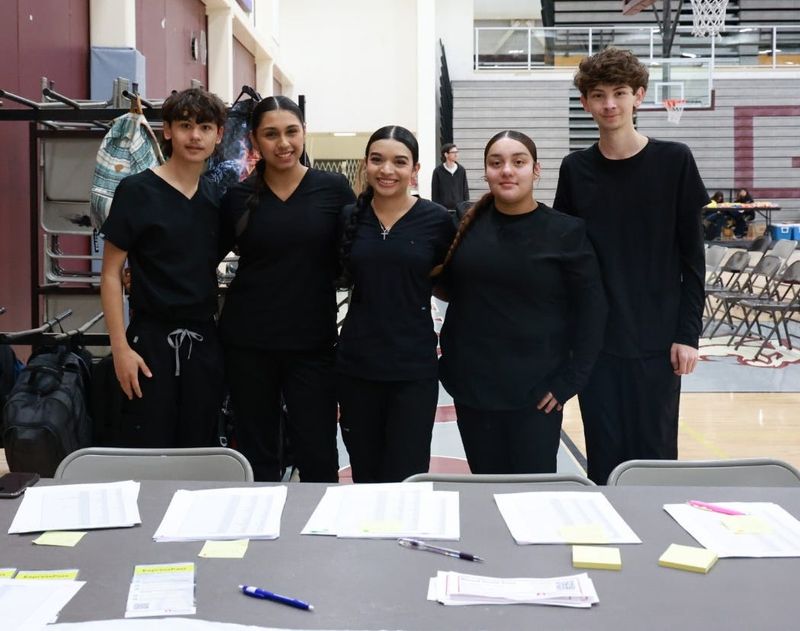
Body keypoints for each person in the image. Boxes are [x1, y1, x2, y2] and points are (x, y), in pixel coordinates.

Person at [553, 47, 707, 484]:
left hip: (658, 342)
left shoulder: (674, 161)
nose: (609, 105)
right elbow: (567, 261)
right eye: (598, 95)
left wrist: (687, 334)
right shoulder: (575, 169)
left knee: (655, 461)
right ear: (585, 102)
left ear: (638, 96)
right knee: (604, 459)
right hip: (597, 343)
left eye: (619, 93)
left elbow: (692, 259)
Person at [435, 130, 607, 474]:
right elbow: (445, 285)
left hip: (536, 395)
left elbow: (592, 311)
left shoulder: (566, 231)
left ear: (536, 170)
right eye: (496, 163)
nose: (507, 171)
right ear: (485, 172)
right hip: (473, 390)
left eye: (518, 162)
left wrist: (569, 381)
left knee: (530, 499)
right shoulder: (463, 225)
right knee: (485, 490)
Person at [218, 96, 355, 482]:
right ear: (254, 141)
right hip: (248, 343)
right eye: (271, 134)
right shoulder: (237, 197)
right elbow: (199, 255)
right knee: (257, 452)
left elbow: (357, 253)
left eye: (292, 132)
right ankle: (262, 535)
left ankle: (315, 538)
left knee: (318, 452)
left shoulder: (333, 189)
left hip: (313, 343)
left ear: (304, 133)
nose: (283, 143)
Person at [99, 87, 227, 447]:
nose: (195, 135)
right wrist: (120, 348)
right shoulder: (137, 191)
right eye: (185, 125)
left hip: (204, 342)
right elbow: (110, 273)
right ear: (167, 131)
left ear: (218, 135)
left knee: (200, 448)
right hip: (148, 342)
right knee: (149, 448)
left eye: (204, 127)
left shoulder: (217, 198)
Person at [336, 126, 455, 483]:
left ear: (415, 169)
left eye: (399, 162)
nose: (387, 170)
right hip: (357, 365)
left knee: (408, 476)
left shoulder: (436, 220)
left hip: (413, 367)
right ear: (366, 165)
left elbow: (451, 283)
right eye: (377, 160)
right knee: (366, 476)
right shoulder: (347, 218)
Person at [431, 143, 470, 215]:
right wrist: (436, 210)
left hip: (459, 211)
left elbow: (465, 191)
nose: (456, 154)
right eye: (453, 152)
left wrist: (466, 208)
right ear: (446, 154)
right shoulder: (437, 171)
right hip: (443, 211)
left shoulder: (461, 170)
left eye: (457, 152)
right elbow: (435, 193)